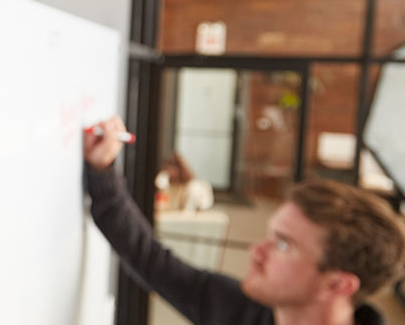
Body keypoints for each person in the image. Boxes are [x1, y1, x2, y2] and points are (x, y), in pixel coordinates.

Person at [84, 116, 405, 325]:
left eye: (283, 244)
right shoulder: (245, 310)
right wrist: (102, 170)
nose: (257, 251)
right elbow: (150, 259)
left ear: (338, 285)